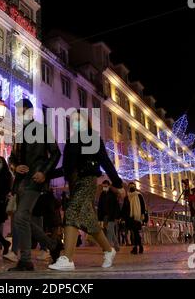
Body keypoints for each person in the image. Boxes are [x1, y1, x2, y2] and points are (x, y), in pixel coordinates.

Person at [48, 109, 123, 271]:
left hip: (88, 181)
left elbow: (105, 161)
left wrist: (118, 183)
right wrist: (47, 174)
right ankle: (109, 250)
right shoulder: (71, 142)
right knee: (90, 222)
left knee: (72, 211)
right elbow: (66, 168)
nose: (76, 122)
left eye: (79, 119)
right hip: (75, 184)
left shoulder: (92, 138)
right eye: (73, 119)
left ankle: (67, 258)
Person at [8, 99, 62, 271]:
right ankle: (52, 246)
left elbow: (55, 153)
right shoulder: (18, 135)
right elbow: (11, 158)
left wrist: (44, 172)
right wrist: (16, 167)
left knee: (21, 216)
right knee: (21, 218)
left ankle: (25, 260)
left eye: (23, 111)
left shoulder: (43, 130)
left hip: (36, 180)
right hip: (20, 183)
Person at [121, 182, 147, 254]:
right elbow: (124, 207)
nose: (131, 187)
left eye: (133, 186)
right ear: (128, 187)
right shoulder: (127, 197)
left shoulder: (139, 195)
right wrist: (122, 217)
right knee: (135, 232)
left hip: (137, 216)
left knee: (135, 232)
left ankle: (136, 247)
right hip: (129, 217)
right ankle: (139, 246)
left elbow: (142, 206)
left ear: (135, 187)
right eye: (130, 186)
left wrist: (142, 215)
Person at [97, 180, 121, 251]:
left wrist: (117, 216)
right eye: (103, 186)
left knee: (109, 231)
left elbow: (116, 206)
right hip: (105, 216)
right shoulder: (102, 194)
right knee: (111, 231)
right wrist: (100, 218)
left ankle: (108, 247)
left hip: (112, 216)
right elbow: (100, 206)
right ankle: (117, 246)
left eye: (106, 186)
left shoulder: (112, 194)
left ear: (109, 186)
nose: (104, 187)